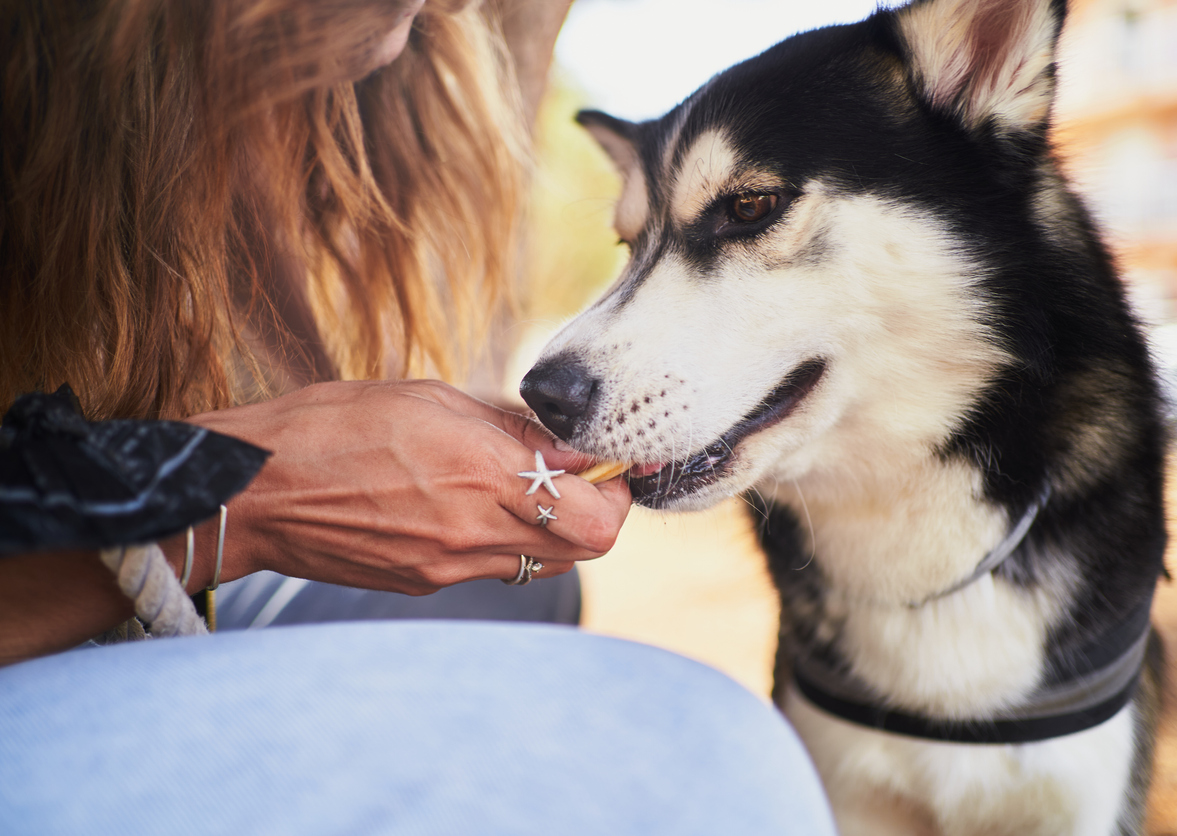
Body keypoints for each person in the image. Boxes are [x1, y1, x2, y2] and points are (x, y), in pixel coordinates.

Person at [0, 0, 839, 831]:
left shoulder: (211, 116)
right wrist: (251, 497)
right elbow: (248, 486)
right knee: (708, 762)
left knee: (513, 604)